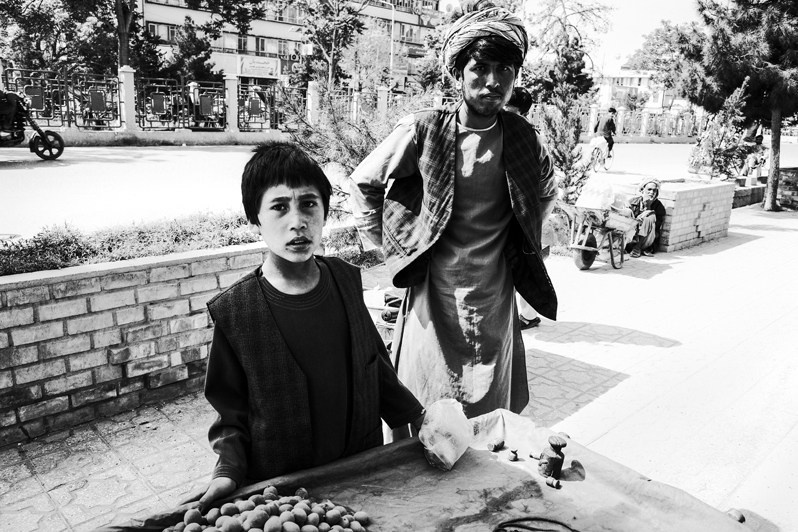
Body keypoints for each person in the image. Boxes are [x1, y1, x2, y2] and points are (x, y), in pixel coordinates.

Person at [349, 6, 558, 420]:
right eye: (480, 68)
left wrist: (526, 238)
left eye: (505, 70)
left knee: (491, 423)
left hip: (495, 300)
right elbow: (363, 183)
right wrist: (394, 247)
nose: (493, 81)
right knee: (425, 410)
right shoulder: (423, 130)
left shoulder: (523, 140)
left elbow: (547, 192)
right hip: (433, 297)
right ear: (458, 72)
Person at [199, 141, 425, 510]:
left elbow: (376, 368)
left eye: (308, 204)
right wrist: (227, 472)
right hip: (286, 495)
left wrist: (416, 417)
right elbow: (230, 414)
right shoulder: (236, 311)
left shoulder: (346, 282)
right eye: (278, 207)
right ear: (254, 218)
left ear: (324, 211)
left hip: (359, 476)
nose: (297, 222)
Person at [504, 87, 544, 329]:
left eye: (511, 112)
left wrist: (532, 223)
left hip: (524, 216)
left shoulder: (531, 138)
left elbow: (548, 189)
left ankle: (528, 315)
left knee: (526, 265)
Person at [623, 178, 666, 258]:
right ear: (642, 190)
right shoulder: (633, 201)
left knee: (650, 216)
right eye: (649, 189)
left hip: (647, 239)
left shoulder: (659, 206)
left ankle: (637, 248)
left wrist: (648, 208)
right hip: (631, 235)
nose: (651, 192)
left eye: (654, 191)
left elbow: (655, 228)